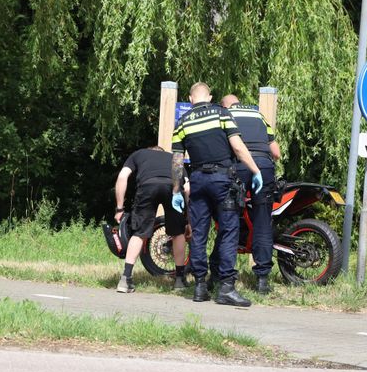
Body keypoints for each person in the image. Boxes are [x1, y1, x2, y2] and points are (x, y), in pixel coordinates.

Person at [171, 82, 262, 306]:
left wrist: (176, 191)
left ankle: (200, 286)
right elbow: (238, 147)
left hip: (198, 181)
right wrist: (256, 171)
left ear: (191, 99)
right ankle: (226, 288)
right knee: (229, 231)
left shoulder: (181, 123)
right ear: (210, 97)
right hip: (223, 180)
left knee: (199, 234)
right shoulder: (222, 114)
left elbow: (176, 161)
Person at [208, 94, 281, 294]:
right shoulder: (259, 115)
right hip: (264, 166)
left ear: (224, 105)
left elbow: (221, 148)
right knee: (263, 221)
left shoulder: (225, 114)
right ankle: (263, 280)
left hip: (239, 166)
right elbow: (276, 152)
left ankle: (218, 274)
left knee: (228, 220)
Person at [114, 146, 190, 293]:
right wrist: (187, 218)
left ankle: (125, 279)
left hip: (147, 186)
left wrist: (119, 208)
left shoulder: (139, 153)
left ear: (150, 151)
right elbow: (187, 188)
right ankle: (179, 281)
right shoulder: (175, 157)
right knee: (178, 233)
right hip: (173, 187)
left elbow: (122, 177)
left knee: (140, 232)